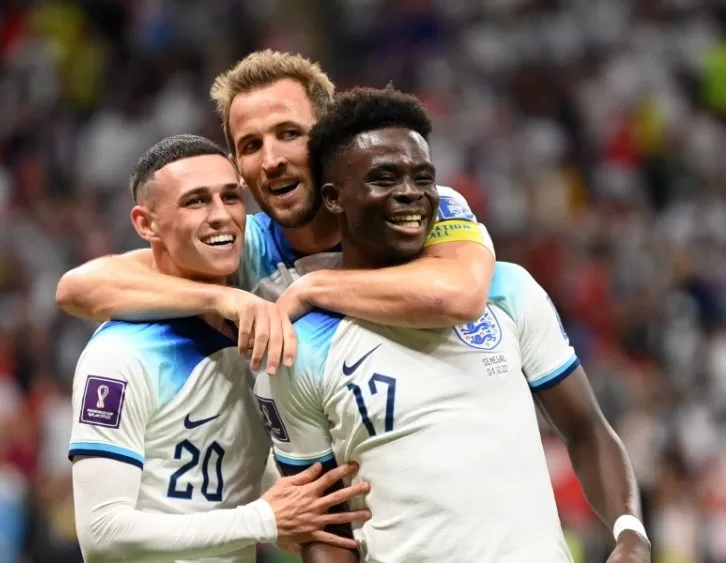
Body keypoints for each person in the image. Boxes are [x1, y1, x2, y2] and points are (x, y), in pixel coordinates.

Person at [253, 87, 652, 563]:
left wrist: (631, 534)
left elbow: (587, 430)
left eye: (423, 177)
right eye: (384, 178)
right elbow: (325, 528)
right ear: (334, 198)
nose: (410, 192)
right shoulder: (300, 347)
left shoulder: (506, 290)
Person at [54, 50, 496, 374]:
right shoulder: (241, 249)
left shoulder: (410, 205)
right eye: (251, 145)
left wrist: (313, 288)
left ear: (328, 140)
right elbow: (78, 288)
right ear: (239, 170)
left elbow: (457, 295)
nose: (271, 160)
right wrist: (223, 298)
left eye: (289, 134)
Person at [68, 134, 371, 563]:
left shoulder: (255, 339)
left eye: (230, 197)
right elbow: (102, 533)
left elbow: (228, 483)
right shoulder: (119, 354)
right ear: (146, 224)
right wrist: (263, 520)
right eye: (195, 201)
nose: (221, 216)